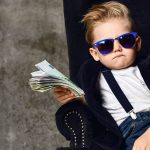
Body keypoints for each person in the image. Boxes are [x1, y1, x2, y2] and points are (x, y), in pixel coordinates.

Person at [54, 1, 150, 149]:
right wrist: (75, 97)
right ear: (95, 53)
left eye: (125, 40)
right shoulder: (93, 79)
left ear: (137, 43)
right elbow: (96, 107)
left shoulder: (145, 67)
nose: (117, 48)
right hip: (124, 136)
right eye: (106, 45)